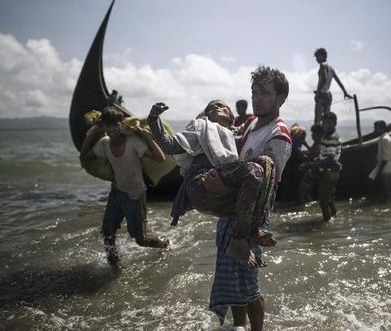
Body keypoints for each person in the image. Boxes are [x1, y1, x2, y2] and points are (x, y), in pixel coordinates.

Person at [208, 65, 292, 331]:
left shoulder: (278, 136)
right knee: (232, 283)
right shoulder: (252, 124)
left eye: (265, 93)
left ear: (280, 98)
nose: (257, 98)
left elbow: (266, 187)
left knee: (249, 283)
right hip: (230, 210)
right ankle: (237, 328)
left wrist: (221, 188)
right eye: (254, 92)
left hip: (252, 217)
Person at [146, 99, 277, 265]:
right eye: (211, 107)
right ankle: (239, 240)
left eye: (221, 106)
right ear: (206, 114)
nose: (215, 107)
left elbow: (257, 126)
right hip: (202, 181)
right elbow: (169, 145)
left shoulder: (236, 136)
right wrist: (154, 118)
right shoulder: (201, 128)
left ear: (231, 118)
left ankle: (252, 229)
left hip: (223, 186)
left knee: (266, 163)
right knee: (254, 170)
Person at [79, 106, 169, 264]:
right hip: (116, 193)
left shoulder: (133, 142)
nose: (111, 129)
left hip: (136, 195)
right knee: (107, 232)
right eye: (107, 125)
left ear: (122, 125)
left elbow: (160, 158)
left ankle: (164, 245)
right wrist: (94, 130)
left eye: (115, 125)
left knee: (141, 240)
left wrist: (144, 134)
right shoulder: (104, 144)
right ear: (104, 127)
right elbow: (84, 156)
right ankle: (113, 263)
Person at [313, 47, 352, 125]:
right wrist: (345, 92)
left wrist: (318, 92)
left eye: (318, 56)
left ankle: (318, 135)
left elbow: (324, 78)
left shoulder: (322, 65)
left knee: (317, 120)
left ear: (324, 56)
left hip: (321, 95)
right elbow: (339, 82)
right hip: (328, 95)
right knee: (326, 118)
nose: (316, 59)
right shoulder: (331, 69)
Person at [314, 112, 342, 221]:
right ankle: (334, 218)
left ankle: (326, 225)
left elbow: (330, 159)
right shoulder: (327, 137)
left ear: (334, 124)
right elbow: (325, 155)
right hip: (329, 171)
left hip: (329, 172)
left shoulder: (331, 138)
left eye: (329, 123)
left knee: (323, 202)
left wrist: (316, 163)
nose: (326, 125)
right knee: (329, 198)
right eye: (324, 123)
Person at [368, 120, 391, 201]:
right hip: (389, 166)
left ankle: (388, 205)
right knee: (386, 189)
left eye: (376, 128)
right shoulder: (387, 138)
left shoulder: (384, 139)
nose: (374, 130)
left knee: (386, 190)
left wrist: (380, 171)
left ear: (382, 128)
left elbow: (386, 157)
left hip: (387, 167)